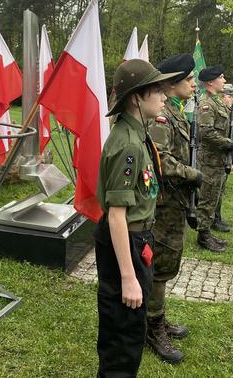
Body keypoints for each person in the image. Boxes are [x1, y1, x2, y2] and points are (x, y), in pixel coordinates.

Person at [95, 59, 180, 377]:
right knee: (125, 331)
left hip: (135, 239)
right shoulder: (128, 145)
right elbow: (117, 215)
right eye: (157, 90)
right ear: (136, 97)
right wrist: (129, 278)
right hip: (127, 241)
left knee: (128, 326)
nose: (164, 96)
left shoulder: (138, 135)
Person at [146, 53, 202, 364]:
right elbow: (159, 159)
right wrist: (192, 174)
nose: (194, 84)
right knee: (160, 265)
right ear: (172, 82)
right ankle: (152, 327)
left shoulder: (174, 111)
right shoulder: (161, 116)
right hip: (163, 204)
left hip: (174, 202)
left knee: (166, 264)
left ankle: (157, 317)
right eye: (189, 79)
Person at [195, 65, 233, 252]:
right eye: (221, 77)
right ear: (210, 81)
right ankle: (203, 236)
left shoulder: (217, 102)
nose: (224, 80)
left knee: (214, 197)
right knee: (207, 198)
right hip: (209, 160)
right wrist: (228, 143)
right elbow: (206, 133)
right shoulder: (206, 103)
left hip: (219, 159)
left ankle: (207, 231)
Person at [212, 83, 233, 233]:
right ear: (222, 97)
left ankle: (217, 217)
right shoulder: (217, 111)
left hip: (225, 156)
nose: (232, 100)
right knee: (213, 191)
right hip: (214, 157)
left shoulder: (228, 113)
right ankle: (212, 219)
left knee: (221, 189)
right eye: (230, 97)